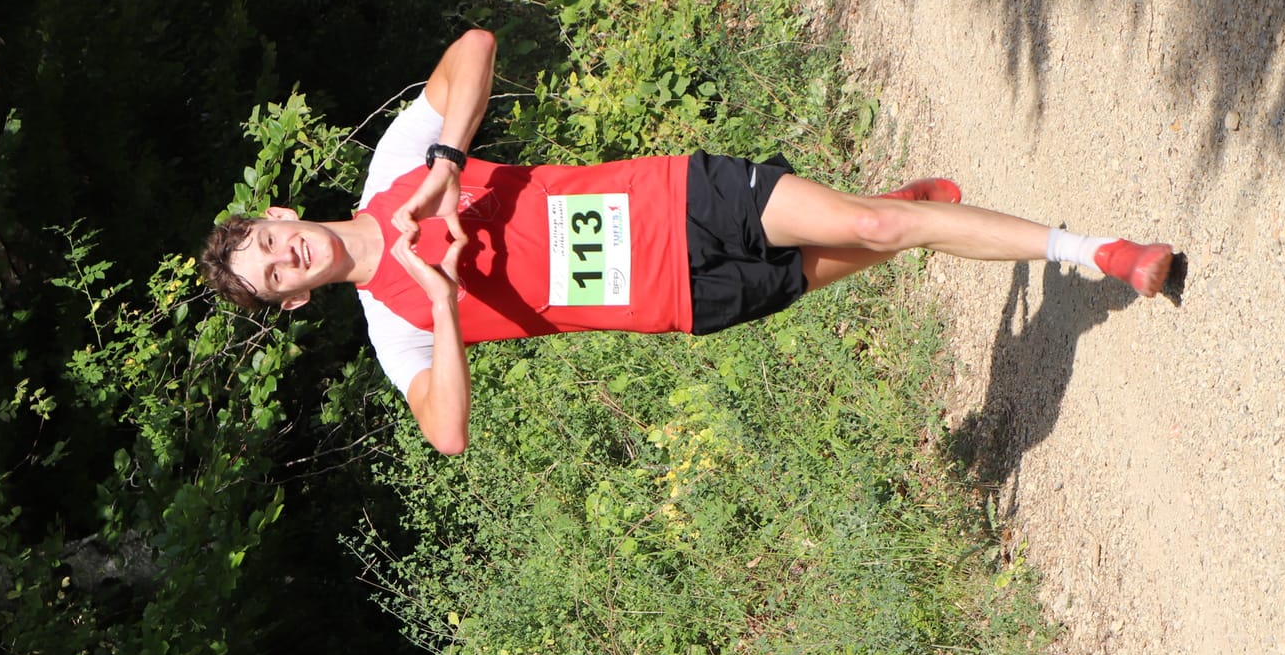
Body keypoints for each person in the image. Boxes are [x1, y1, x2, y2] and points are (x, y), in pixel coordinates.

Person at [202, 29, 1174, 454]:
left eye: (270, 244)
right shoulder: (392, 330)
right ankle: (910, 218)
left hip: (675, 199)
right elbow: (445, 431)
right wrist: (445, 298)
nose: (287, 261)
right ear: (292, 300)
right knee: (869, 242)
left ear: (282, 220)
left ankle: (1094, 252)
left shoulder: (395, 167)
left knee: (869, 225)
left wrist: (450, 165)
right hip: (673, 304)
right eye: (273, 278)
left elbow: (473, 50)